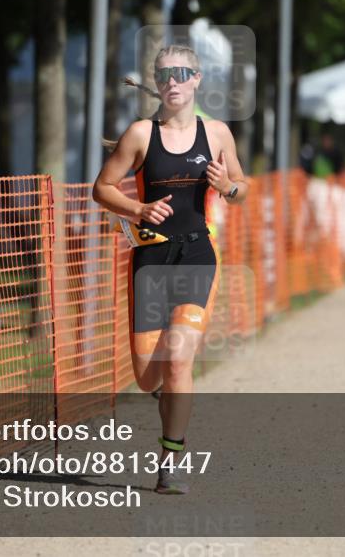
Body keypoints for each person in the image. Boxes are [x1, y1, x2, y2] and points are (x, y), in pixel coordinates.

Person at [92, 45, 247, 494]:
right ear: (157, 83)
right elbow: (101, 190)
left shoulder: (216, 133)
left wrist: (228, 187)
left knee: (179, 361)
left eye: (182, 73)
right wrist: (138, 208)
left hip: (197, 256)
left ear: (197, 79)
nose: (173, 81)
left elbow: (242, 186)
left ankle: (170, 462)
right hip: (150, 261)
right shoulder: (140, 134)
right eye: (165, 75)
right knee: (147, 376)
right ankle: (166, 396)